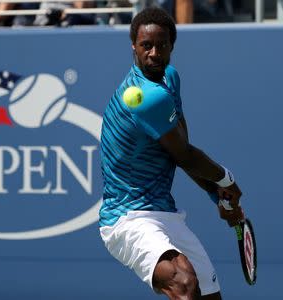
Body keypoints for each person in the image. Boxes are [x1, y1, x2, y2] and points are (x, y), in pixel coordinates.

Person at [99, 7, 243, 299]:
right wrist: (227, 182)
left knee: (209, 295)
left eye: (161, 45)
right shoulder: (145, 96)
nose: (154, 53)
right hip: (127, 218)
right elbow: (186, 154)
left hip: (164, 211)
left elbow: (179, 152)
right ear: (134, 47)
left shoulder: (170, 80)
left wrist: (218, 195)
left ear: (171, 47)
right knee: (184, 284)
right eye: (145, 45)